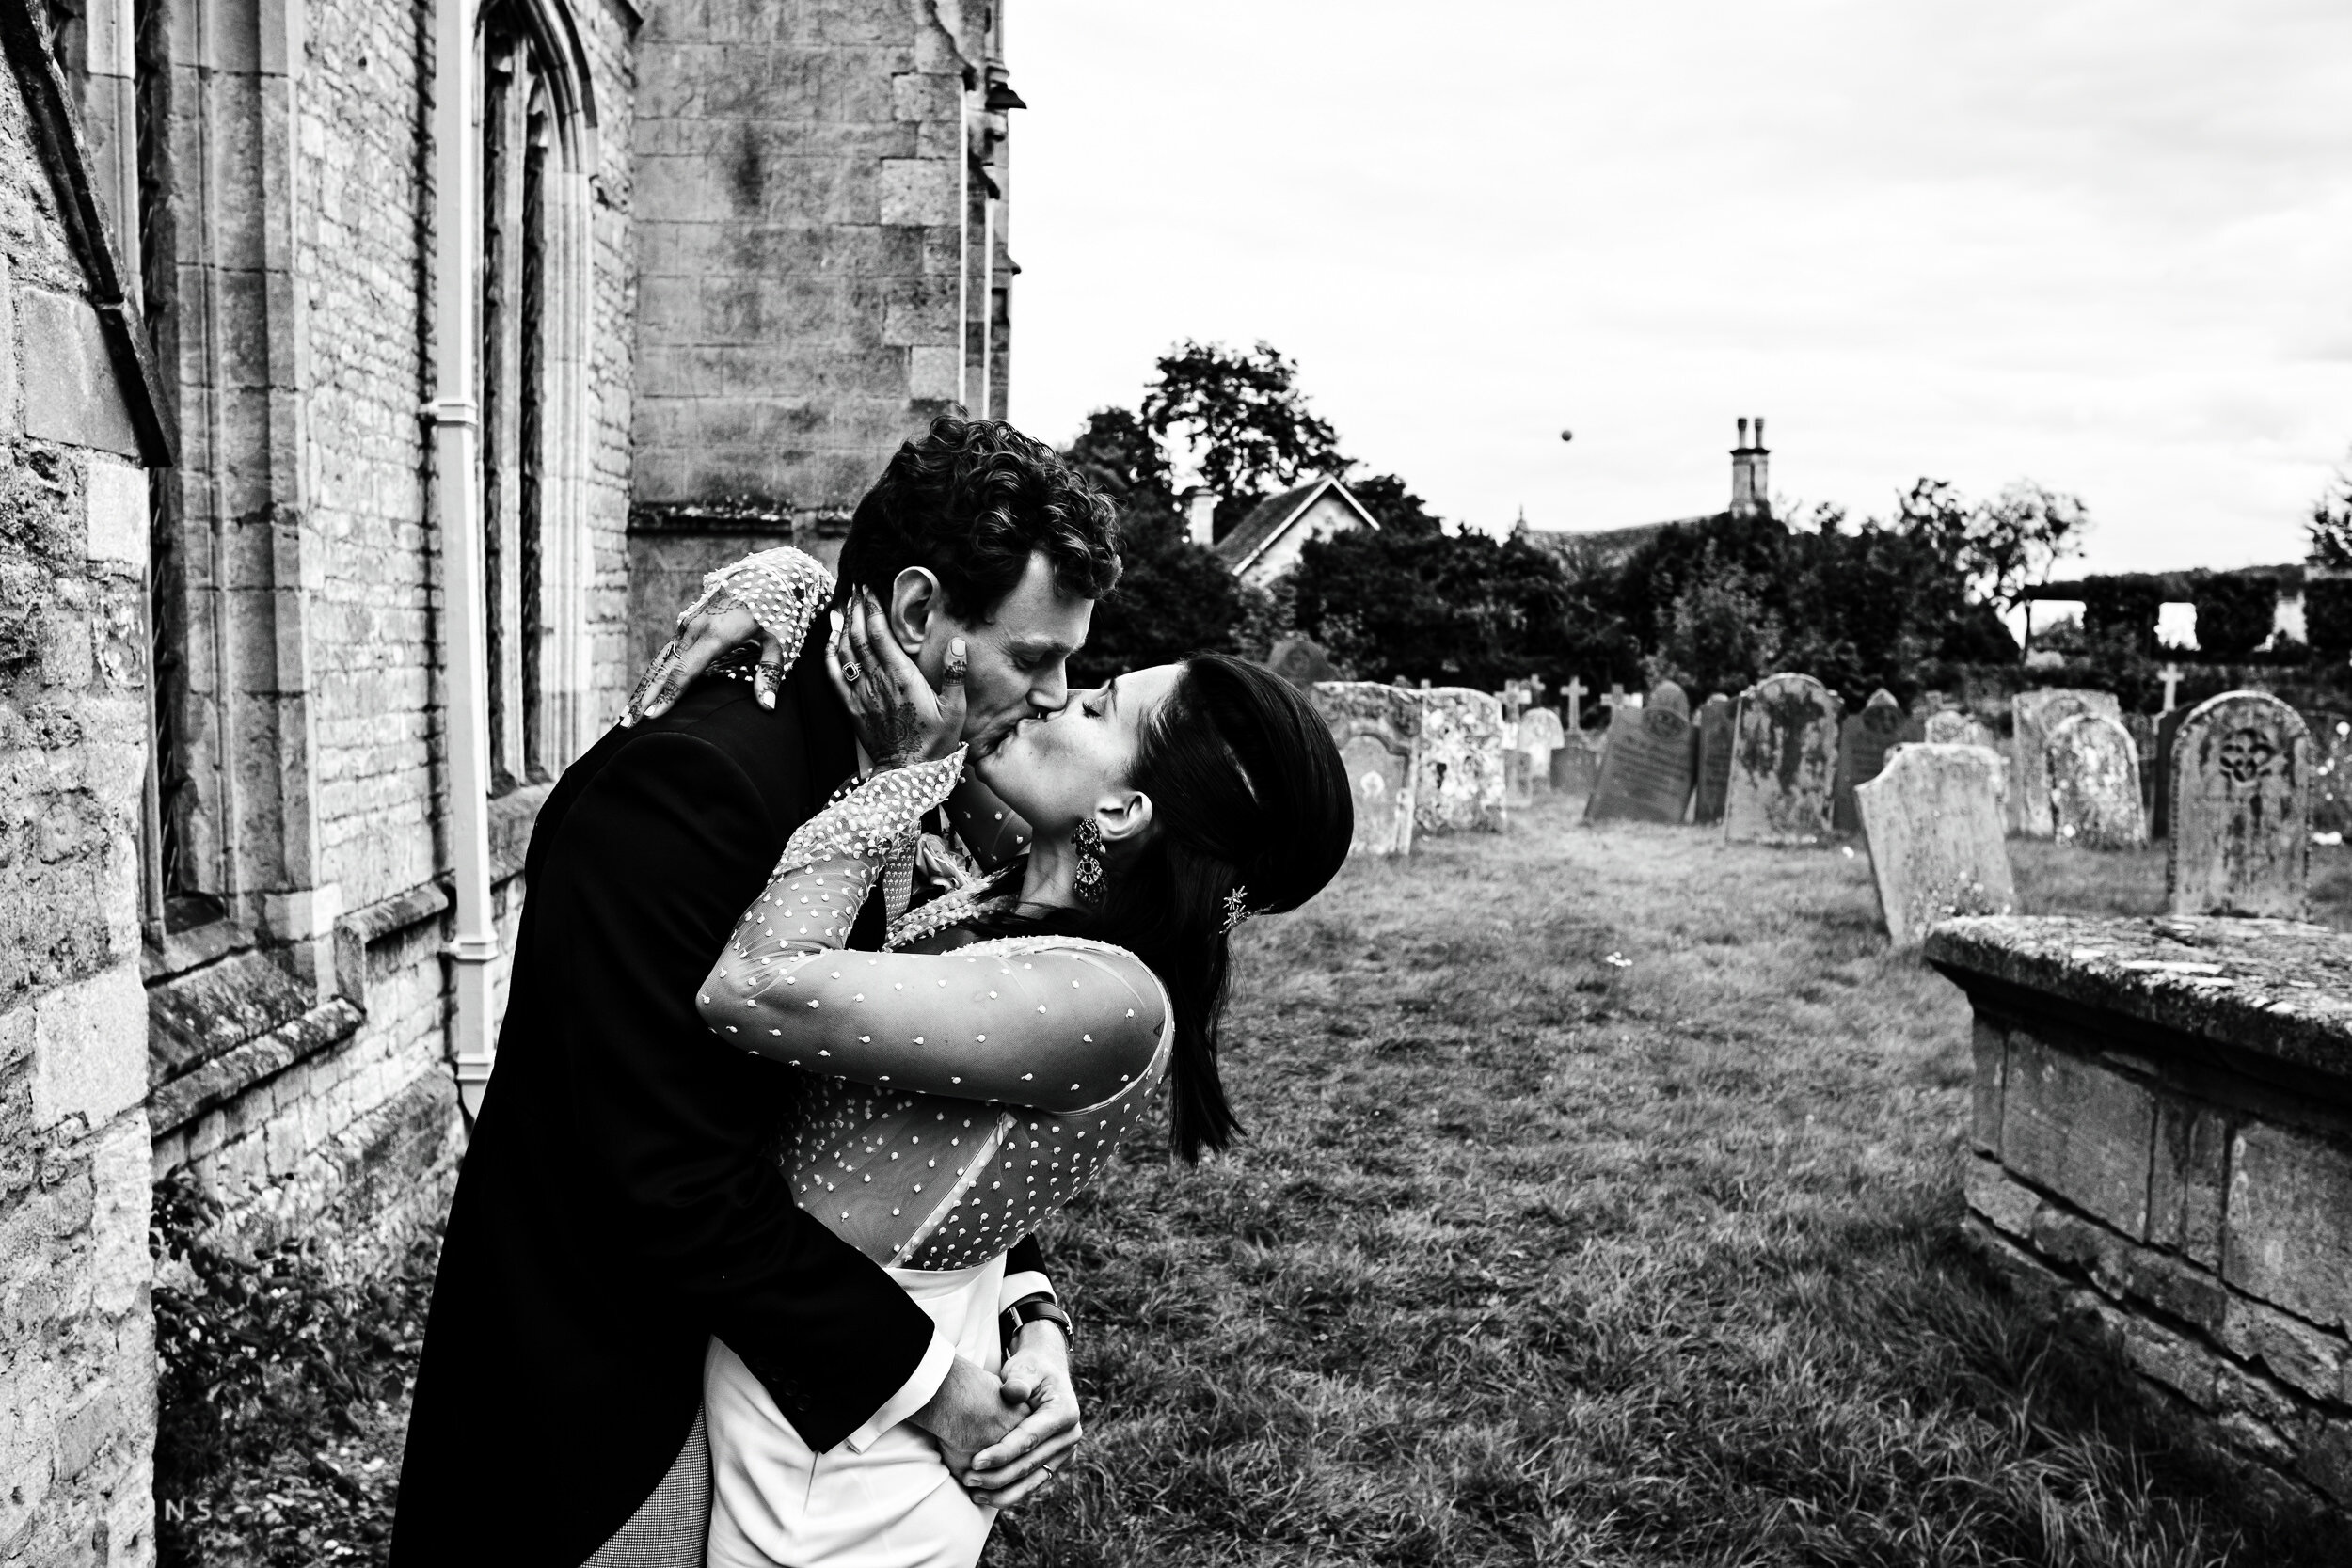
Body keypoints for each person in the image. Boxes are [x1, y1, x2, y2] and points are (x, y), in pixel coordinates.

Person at [390, 417, 1121, 1568]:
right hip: (613, 1404)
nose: (1053, 694)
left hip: (764, 1384)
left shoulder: (898, 770)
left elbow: (915, 1110)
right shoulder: (700, 784)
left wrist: (1032, 1305)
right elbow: (664, 1175)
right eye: (1034, 657)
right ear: (921, 615)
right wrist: (931, 1389)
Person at [685, 559, 1354, 1566]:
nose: (1051, 695)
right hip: (818, 1376)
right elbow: (971, 1162)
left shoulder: (1110, 997)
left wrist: (895, 777)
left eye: (1094, 702)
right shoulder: (1016, 891)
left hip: (837, 1477)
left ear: (1123, 813)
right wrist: (797, 589)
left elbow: (750, 987)